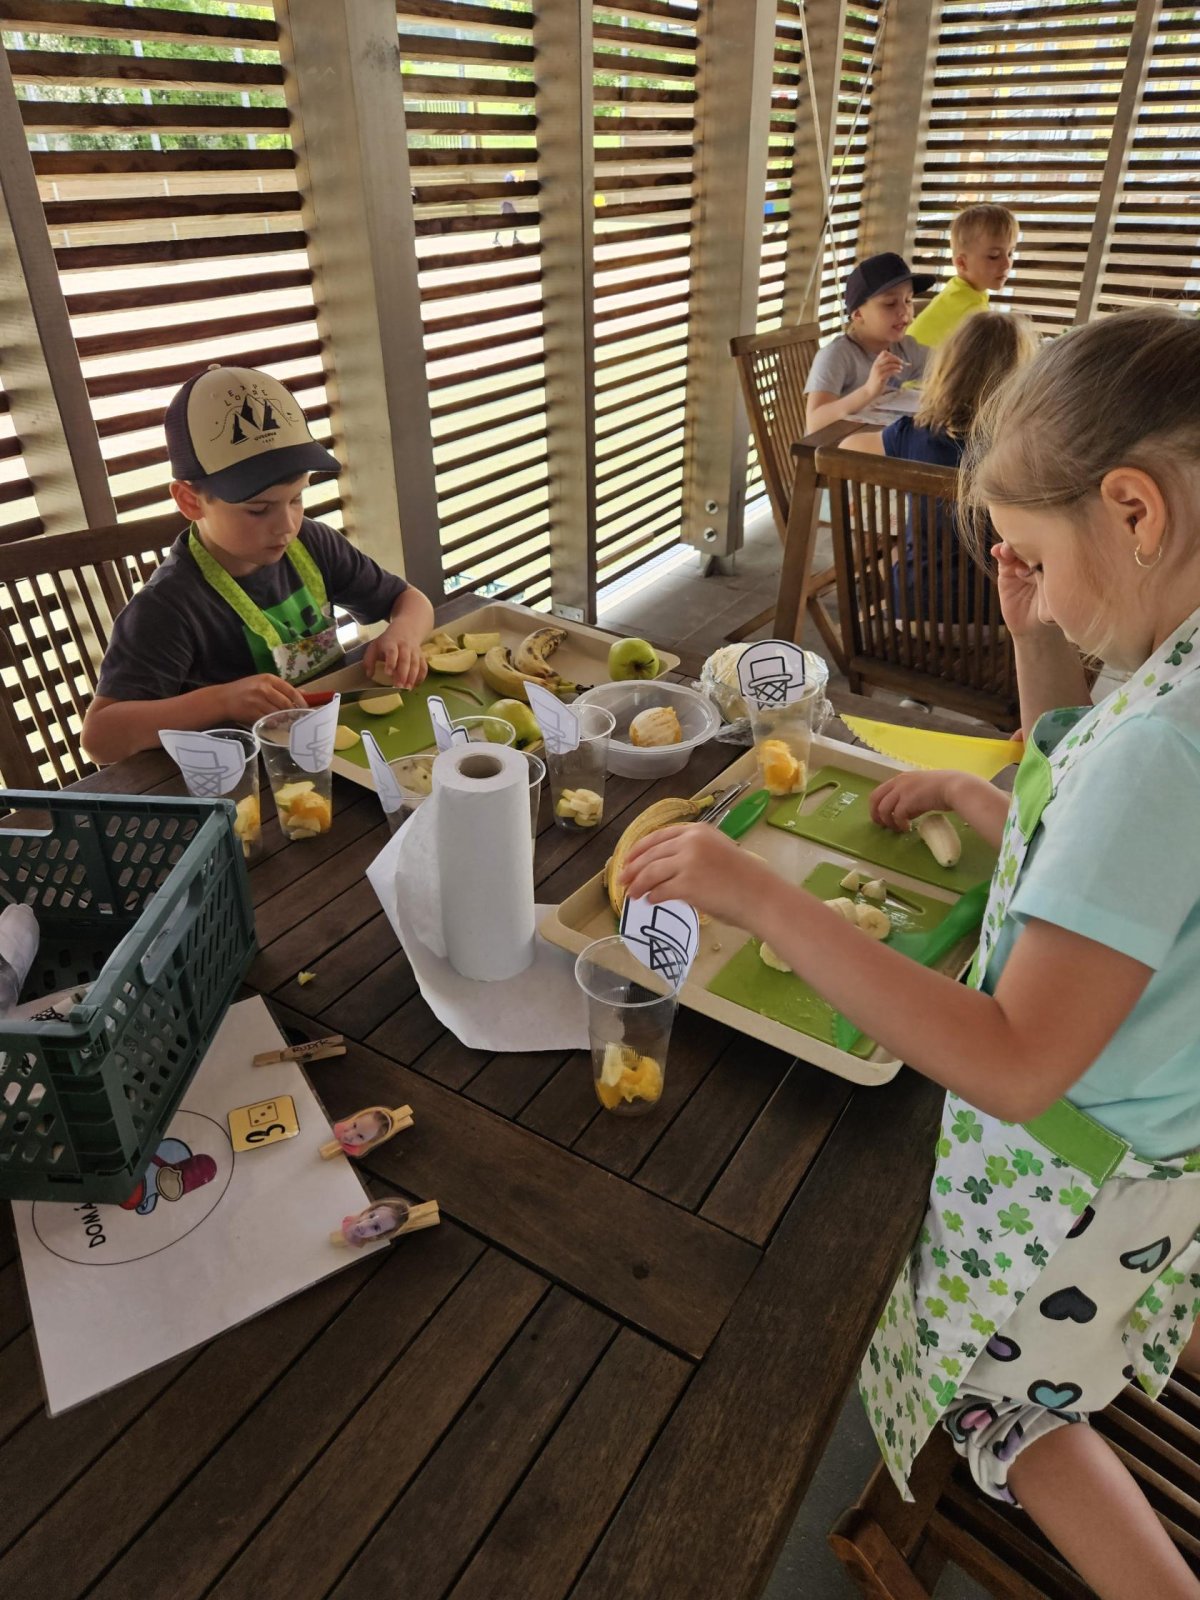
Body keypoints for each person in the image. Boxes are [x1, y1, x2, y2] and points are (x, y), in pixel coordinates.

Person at [622, 310, 1200, 1600]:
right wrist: (1031, 651)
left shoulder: (1165, 751)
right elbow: (1107, 853)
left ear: (1134, 510)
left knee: (1013, 1414)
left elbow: (1017, 1059)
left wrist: (762, 900)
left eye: (1039, 558)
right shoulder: (1175, 676)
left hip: (1070, 1183)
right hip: (1158, 1157)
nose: (1033, 585)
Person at [82, 365, 434, 765]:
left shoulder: (313, 543)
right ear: (190, 501)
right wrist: (221, 701)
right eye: (258, 509)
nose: (286, 525)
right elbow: (100, 739)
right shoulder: (167, 607)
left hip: (334, 748)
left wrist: (403, 635)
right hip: (245, 773)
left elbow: (410, 600)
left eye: (296, 499)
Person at [844, 310, 1040, 621]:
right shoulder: (1033, 451)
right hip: (1004, 616)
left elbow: (847, 449)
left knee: (895, 553)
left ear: (947, 370)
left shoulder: (911, 434)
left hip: (914, 612)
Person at [804, 252, 936, 434]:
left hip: (877, 444)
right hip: (834, 449)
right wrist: (869, 390)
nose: (904, 310)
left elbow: (951, 364)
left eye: (908, 300)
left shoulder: (905, 348)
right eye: (890, 303)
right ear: (858, 314)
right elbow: (814, 422)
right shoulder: (837, 355)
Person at [908, 202, 1019, 349]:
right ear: (962, 263)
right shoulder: (972, 313)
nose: (1006, 264)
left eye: (1010, 253)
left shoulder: (957, 290)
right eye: (994, 256)